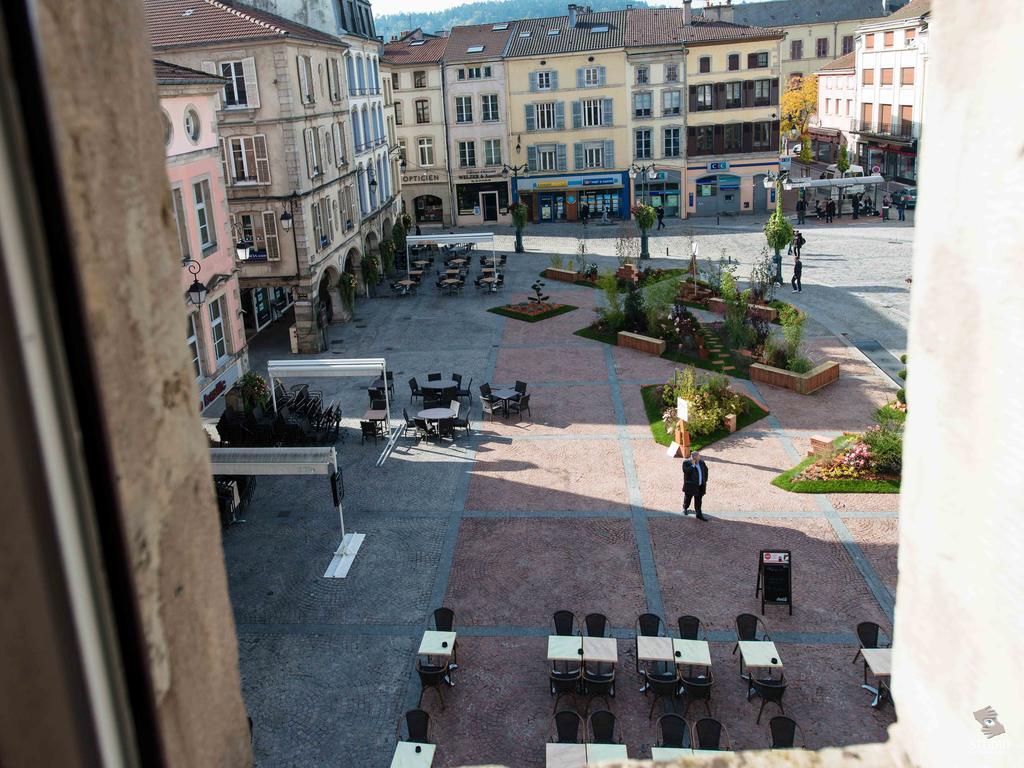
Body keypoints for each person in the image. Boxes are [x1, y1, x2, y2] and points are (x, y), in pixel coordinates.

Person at [682, 451, 708, 520]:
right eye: (696, 457)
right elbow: (686, 471)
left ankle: (698, 514)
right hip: (690, 486)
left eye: (699, 457)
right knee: (688, 499)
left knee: (699, 500)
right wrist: (693, 465)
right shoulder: (686, 463)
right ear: (692, 457)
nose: (698, 459)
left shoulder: (702, 463)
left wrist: (704, 480)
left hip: (700, 486)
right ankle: (685, 508)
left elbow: (706, 471)